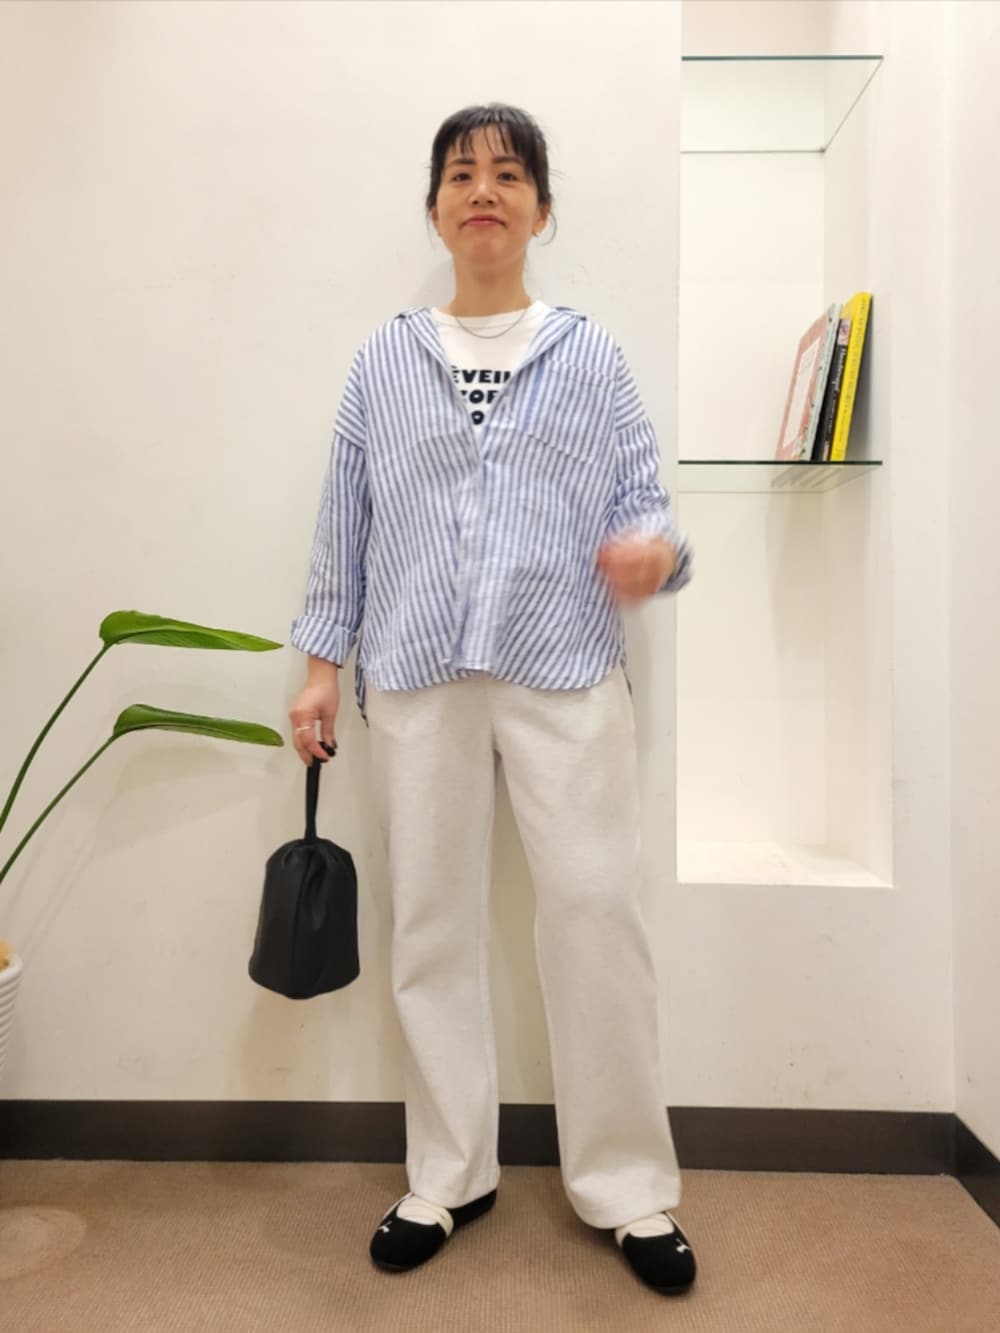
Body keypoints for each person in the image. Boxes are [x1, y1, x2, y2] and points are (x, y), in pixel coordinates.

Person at [287, 103, 697, 1297]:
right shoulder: (382, 362)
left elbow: (650, 508)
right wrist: (319, 664)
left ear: (541, 210)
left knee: (594, 915)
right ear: (434, 211)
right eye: (461, 174)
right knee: (430, 922)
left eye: (508, 174)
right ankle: (448, 1170)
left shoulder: (593, 358)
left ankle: (627, 1185)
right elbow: (344, 521)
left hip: (565, 667)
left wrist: (653, 557)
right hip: (418, 674)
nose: (483, 190)